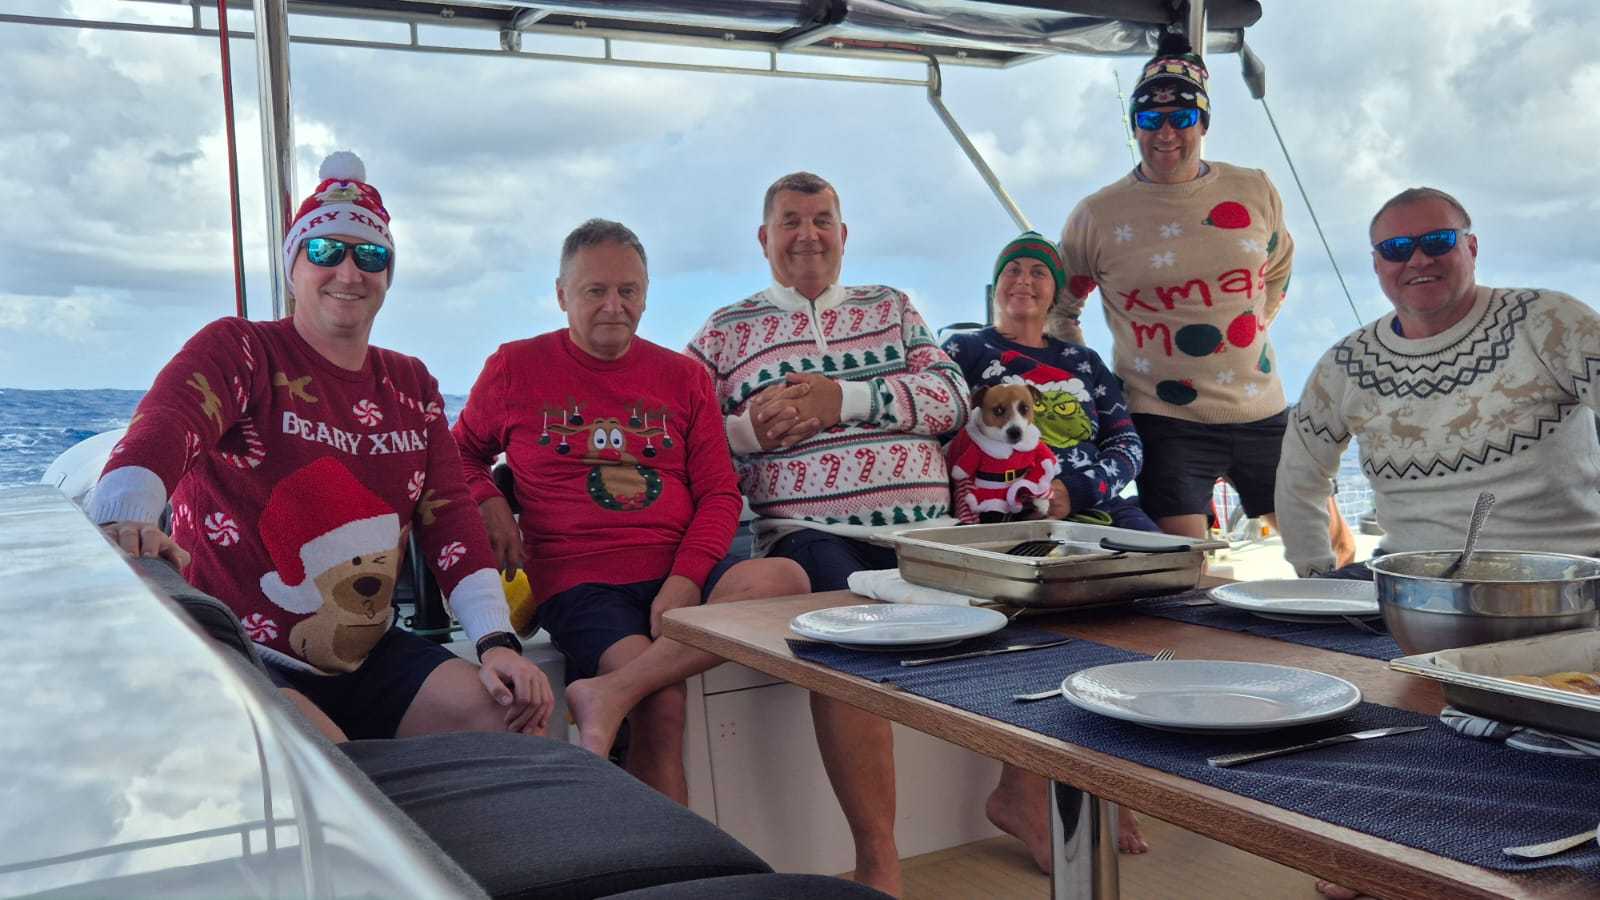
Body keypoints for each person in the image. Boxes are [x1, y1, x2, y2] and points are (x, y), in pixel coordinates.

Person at [89, 151, 554, 743]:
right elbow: (169, 421)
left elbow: (450, 518)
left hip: (369, 654)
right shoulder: (242, 349)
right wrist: (126, 515)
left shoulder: (412, 385)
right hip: (241, 652)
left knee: (513, 721)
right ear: (294, 266)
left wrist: (496, 641)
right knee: (328, 767)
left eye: (371, 255)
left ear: (388, 275)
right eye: (326, 250)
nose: (349, 272)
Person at [452, 219, 809, 805]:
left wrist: (685, 578)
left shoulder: (685, 378)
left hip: (676, 567)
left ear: (646, 295)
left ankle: (609, 693)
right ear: (562, 294)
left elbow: (720, 494)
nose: (614, 306)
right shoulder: (515, 367)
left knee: (786, 579)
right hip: (582, 579)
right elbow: (458, 454)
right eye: (595, 291)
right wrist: (488, 499)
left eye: (628, 291)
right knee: (662, 703)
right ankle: (670, 853)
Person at [687, 171, 971, 895]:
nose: (807, 235)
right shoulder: (724, 331)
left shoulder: (892, 308)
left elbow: (952, 399)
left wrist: (843, 398)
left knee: (1039, 620)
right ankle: (879, 857)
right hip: (809, 531)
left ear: (844, 235)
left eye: (821, 220)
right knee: (850, 639)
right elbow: (680, 430)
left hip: (929, 532)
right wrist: (746, 433)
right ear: (764, 238)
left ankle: (1024, 799)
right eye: (790, 221)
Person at [1053, 32, 1355, 563]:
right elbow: (1062, 307)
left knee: (1329, 550)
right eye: (1150, 118)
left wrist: (1250, 329)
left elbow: (1278, 266)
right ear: (1134, 127)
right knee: (1185, 566)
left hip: (1261, 406)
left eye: (1182, 117)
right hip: (1163, 416)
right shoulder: (1097, 215)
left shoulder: (1254, 189)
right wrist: (1094, 382)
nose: (1165, 132)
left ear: (1203, 124)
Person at [940, 231, 1155, 868]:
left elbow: (1127, 443)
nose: (1025, 281)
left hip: (1094, 503)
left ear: (1055, 291)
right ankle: (1020, 790)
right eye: (1013, 270)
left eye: (1039, 272)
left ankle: (1118, 773)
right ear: (995, 285)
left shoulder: (1083, 362)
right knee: (1037, 616)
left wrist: (1077, 489)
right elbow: (943, 430)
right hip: (1009, 510)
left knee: (1164, 594)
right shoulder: (965, 350)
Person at [1277, 186, 1600, 584]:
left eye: (1438, 241)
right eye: (1396, 249)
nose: (1418, 259)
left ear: (1472, 248)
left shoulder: (1550, 321)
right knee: (1232, 620)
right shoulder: (1344, 365)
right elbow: (1299, 475)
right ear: (1377, 264)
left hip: (1565, 577)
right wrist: (1315, 578)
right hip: (1406, 579)